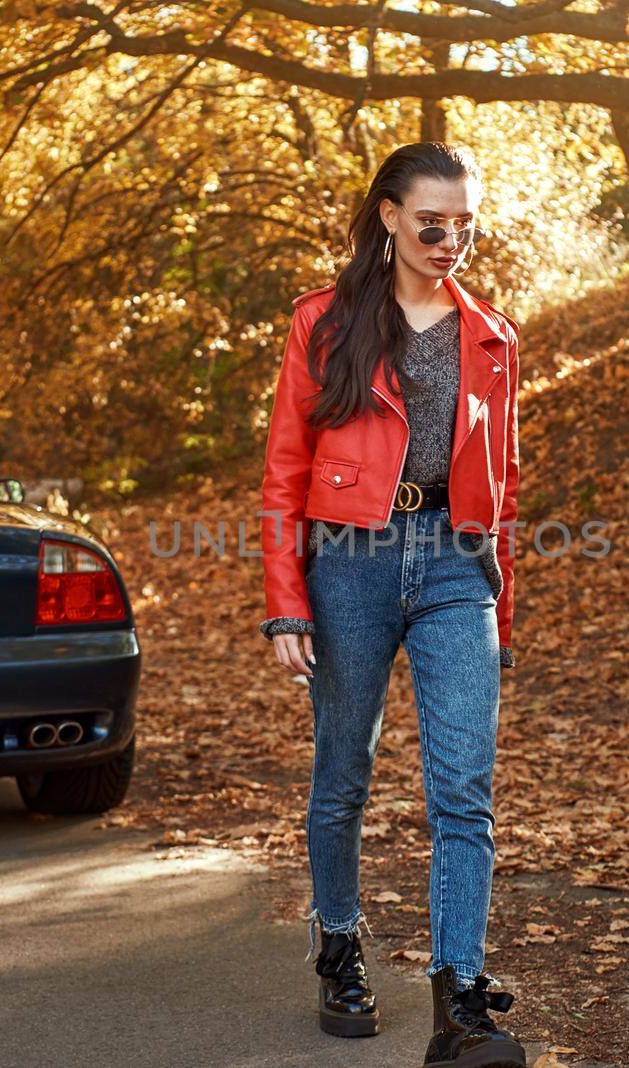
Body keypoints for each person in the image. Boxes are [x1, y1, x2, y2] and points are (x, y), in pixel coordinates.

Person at [256, 141, 525, 1068]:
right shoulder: (324, 323)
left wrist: (505, 609)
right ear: (389, 216)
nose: (451, 239)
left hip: (457, 564)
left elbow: (504, 482)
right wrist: (286, 604)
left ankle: (461, 1003)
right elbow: (285, 469)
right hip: (349, 561)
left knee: (464, 790)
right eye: (431, 222)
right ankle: (339, 948)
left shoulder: (491, 333)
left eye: (466, 224)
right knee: (344, 778)